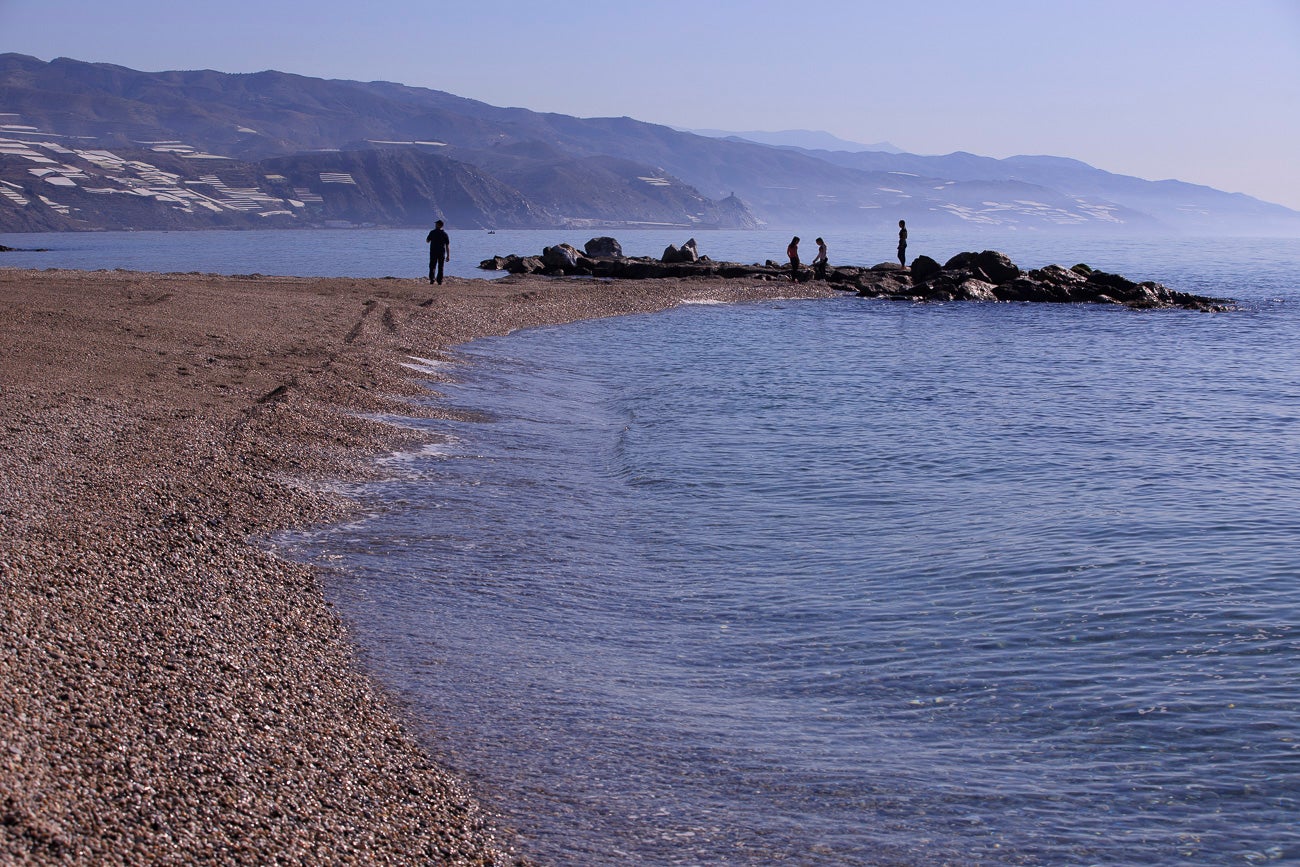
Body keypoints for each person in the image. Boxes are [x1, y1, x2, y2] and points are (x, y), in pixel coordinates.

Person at [426, 219, 450, 285]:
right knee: (441, 266)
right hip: (441, 252)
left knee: (432, 266)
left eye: (436, 224)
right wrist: (448, 255)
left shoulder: (432, 232)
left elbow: (427, 241)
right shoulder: (445, 234)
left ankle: (432, 279)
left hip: (433, 252)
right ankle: (439, 281)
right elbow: (447, 245)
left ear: (438, 225)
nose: (435, 225)